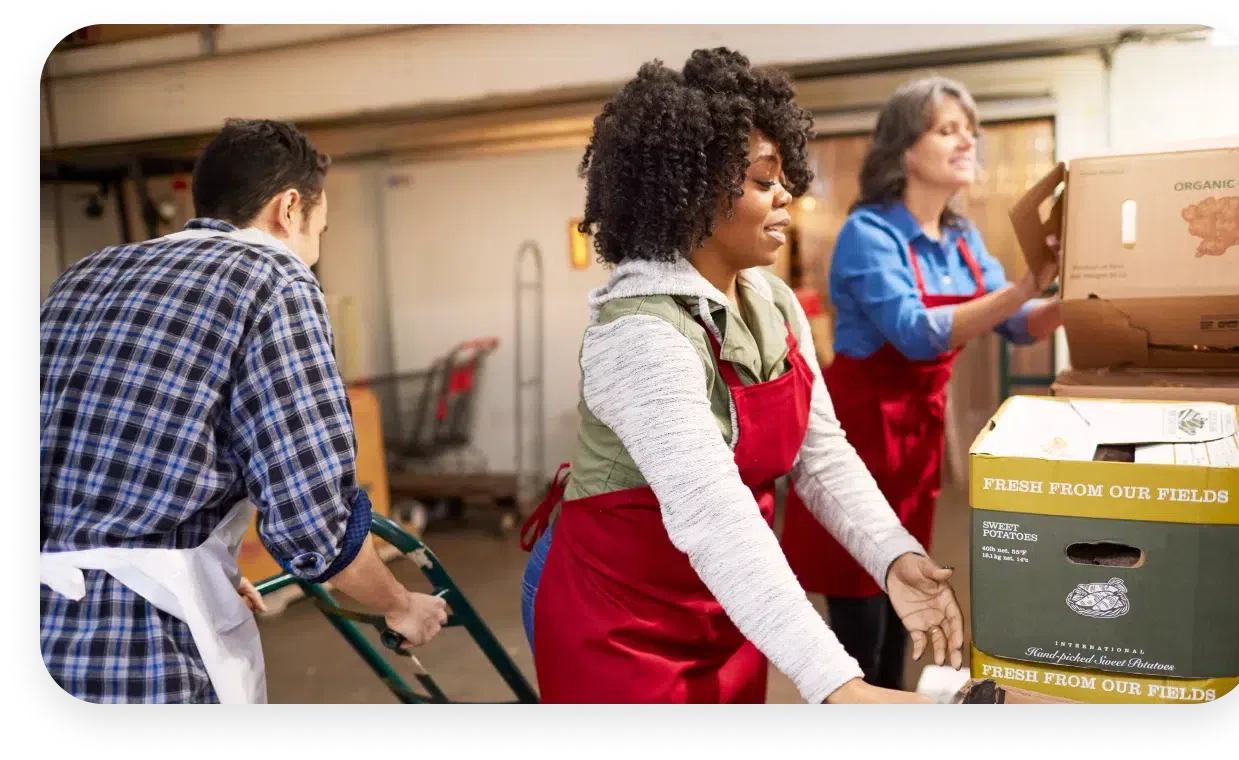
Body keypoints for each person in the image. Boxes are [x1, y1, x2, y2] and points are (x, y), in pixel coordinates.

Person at [516, 48, 964, 705]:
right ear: (691, 194)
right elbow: (714, 517)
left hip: (725, 604)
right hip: (619, 624)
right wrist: (839, 683)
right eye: (762, 178)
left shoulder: (773, 304)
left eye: (785, 175)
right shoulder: (640, 336)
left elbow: (820, 455)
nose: (787, 194)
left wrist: (892, 555)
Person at [38, 118, 449, 704]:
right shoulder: (274, 280)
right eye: (320, 230)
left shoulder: (84, 276)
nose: (314, 250)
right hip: (143, 652)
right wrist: (401, 606)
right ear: (288, 208)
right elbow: (313, 523)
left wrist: (202, 575)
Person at [778, 76, 1062, 691]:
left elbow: (1019, 322)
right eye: (947, 129)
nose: (968, 141)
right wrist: (1021, 287)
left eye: (971, 130)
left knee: (904, 606)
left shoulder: (960, 237)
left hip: (915, 438)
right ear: (905, 147)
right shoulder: (868, 234)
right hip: (855, 436)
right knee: (860, 631)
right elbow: (914, 331)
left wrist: (1080, 295)